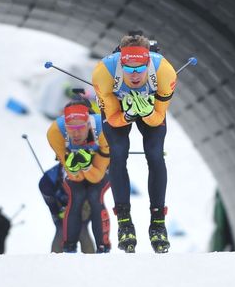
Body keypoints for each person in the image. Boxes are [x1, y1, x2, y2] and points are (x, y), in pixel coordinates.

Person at [92, 32, 177, 253]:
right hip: (119, 109)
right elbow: (112, 119)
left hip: (150, 107)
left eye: (140, 68)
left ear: (149, 60)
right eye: (129, 68)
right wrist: (128, 116)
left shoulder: (164, 71)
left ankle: (158, 223)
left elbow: (158, 117)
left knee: (155, 154)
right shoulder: (104, 72)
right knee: (118, 154)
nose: (135, 74)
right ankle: (124, 222)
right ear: (120, 61)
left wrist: (146, 112)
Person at [46, 100, 112, 253]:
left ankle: (104, 247)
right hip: (83, 170)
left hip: (101, 166)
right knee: (77, 195)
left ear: (89, 124)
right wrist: (76, 168)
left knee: (96, 195)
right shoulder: (55, 132)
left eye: (81, 128)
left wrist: (87, 166)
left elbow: (97, 177)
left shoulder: (103, 130)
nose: (76, 133)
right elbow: (75, 177)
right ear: (65, 126)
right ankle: (69, 247)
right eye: (71, 128)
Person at [38, 163, 95, 253]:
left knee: (82, 229)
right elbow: (49, 200)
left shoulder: (86, 175)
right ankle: (55, 262)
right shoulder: (47, 182)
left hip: (82, 208)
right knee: (61, 229)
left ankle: (92, 262)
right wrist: (58, 210)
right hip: (60, 208)